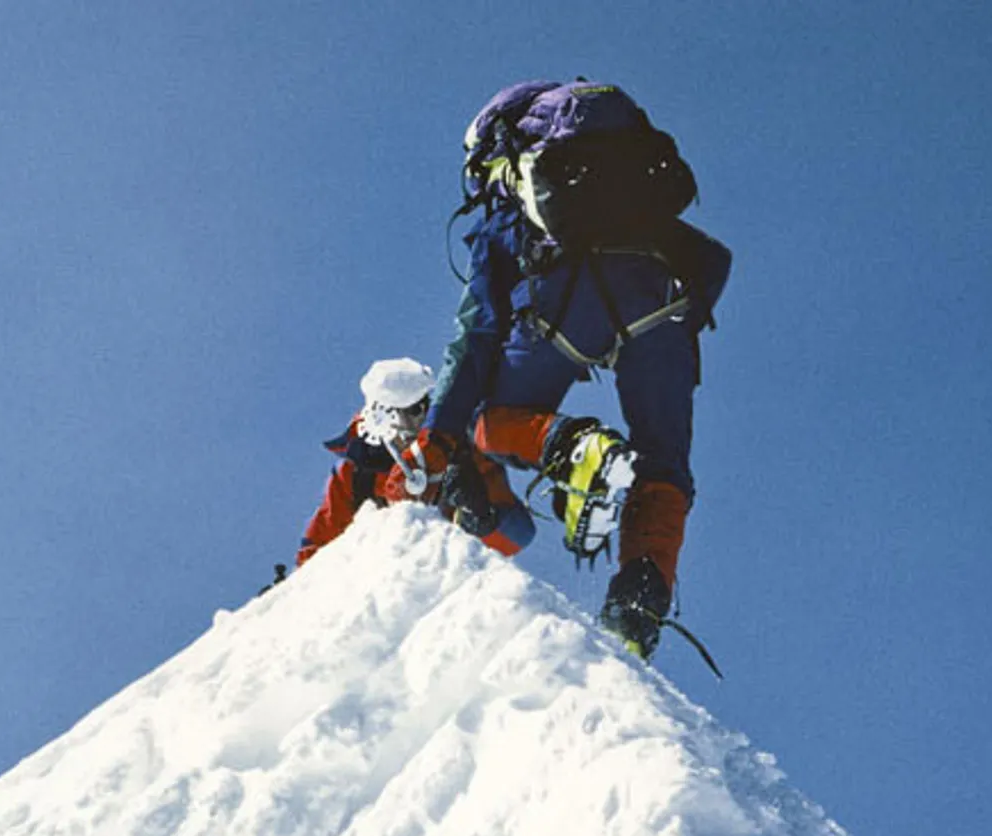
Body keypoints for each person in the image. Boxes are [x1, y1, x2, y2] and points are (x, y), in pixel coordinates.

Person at [425, 79, 731, 660]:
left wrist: (440, 434)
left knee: (489, 422)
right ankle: (637, 604)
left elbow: (478, 331)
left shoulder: (509, 211)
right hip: (663, 297)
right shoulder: (633, 185)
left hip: (569, 297)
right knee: (665, 462)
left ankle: (574, 451)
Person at [295, 357, 532, 567]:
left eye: (425, 407)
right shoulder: (357, 474)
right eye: (412, 410)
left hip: (442, 583)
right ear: (380, 416)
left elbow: (519, 534)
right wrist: (289, 593)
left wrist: (481, 518)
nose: (421, 419)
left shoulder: (462, 453)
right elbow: (317, 550)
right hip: (378, 587)